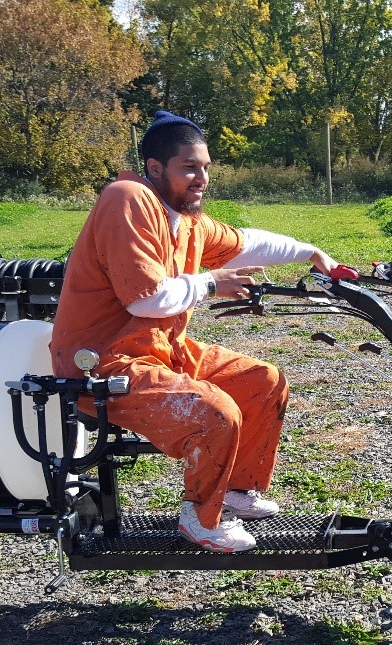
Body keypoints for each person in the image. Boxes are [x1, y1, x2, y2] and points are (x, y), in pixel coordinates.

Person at [50, 111, 338, 553]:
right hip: (103, 364)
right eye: (190, 167)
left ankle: (237, 491)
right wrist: (210, 282)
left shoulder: (186, 218)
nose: (201, 177)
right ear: (155, 168)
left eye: (205, 167)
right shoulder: (128, 199)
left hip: (159, 349)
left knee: (264, 381)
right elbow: (143, 299)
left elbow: (245, 242)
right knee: (214, 412)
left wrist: (310, 252)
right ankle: (200, 518)